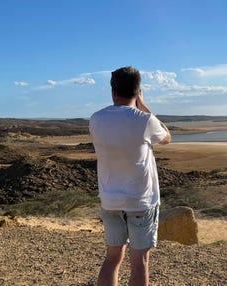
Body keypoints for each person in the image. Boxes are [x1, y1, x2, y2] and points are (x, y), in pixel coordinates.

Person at [89, 66, 171, 286]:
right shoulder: (144, 120)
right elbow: (166, 137)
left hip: (110, 201)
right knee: (139, 261)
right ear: (138, 91)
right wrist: (143, 106)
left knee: (112, 258)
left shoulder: (96, 119)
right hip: (140, 201)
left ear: (113, 91)